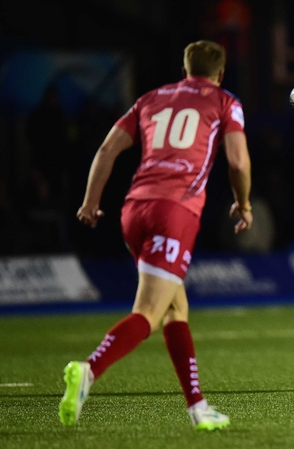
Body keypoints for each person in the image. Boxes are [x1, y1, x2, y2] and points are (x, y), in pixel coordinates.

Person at [61, 40, 254, 430]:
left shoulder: (151, 98)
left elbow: (106, 149)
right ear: (220, 73)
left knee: (175, 309)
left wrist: (90, 202)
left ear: (185, 69)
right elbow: (237, 161)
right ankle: (88, 370)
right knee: (147, 314)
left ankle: (199, 408)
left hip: (134, 210)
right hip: (174, 212)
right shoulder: (225, 101)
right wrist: (244, 203)